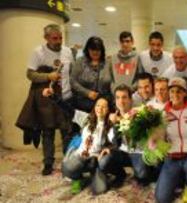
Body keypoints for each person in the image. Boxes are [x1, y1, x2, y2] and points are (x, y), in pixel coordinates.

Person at [16, 24, 73, 175]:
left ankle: (68, 160)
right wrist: (48, 76)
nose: (59, 41)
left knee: (66, 131)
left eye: (60, 37)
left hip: (66, 97)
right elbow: (30, 74)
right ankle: (48, 162)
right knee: (47, 131)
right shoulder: (38, 52)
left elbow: (71, 72)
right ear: (46, 38)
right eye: (55, 38)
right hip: (47, 99)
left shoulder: (67, 52)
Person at [61, 98, 118, 195]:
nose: (100, 108)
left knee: (100, 189)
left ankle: (95, 173)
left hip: (95, 160)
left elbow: (116, 143)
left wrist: (114, 124)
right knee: (68, 168)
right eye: (98, 105)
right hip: (80, 155)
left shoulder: (109, 125)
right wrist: (53, 96)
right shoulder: (86, 118)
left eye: (104, 106)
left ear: (108, 109)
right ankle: (78, 178)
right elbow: (68, 109)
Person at [108, 84, 155, 186]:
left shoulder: (139, 114)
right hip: (123, 151)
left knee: (143, 177)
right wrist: (116, 124)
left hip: (138, 151)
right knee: (104, 161)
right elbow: (116, 143)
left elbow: (143, 138)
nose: (121, 101)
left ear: (130, 99)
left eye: (124, 97)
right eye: (118, 98)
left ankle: (139, 171)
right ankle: (120, 174)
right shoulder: (112, 117)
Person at [70, 36, 113, 113]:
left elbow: (112, 81)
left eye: (98, 50)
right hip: (83, 104)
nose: (95, 52)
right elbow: (73, 81)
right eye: (92, 49)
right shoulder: (80, 62)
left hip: (103, 104)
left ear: (102, 50)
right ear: (87, 49)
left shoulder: (108, 62)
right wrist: (87, 93)